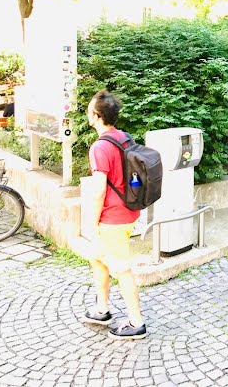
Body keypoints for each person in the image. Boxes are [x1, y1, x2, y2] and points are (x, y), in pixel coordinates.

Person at [82, 90, 147, 340]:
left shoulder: (100, 147)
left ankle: (136, 322)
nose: (87, 113)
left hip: (113, 218)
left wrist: (91, 222)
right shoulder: (123, 138)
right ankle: (102, 309)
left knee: (121, 269)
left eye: (89, 110)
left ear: (97, 116)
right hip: (128, 210)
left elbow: (99, 189)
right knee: (98, 258)